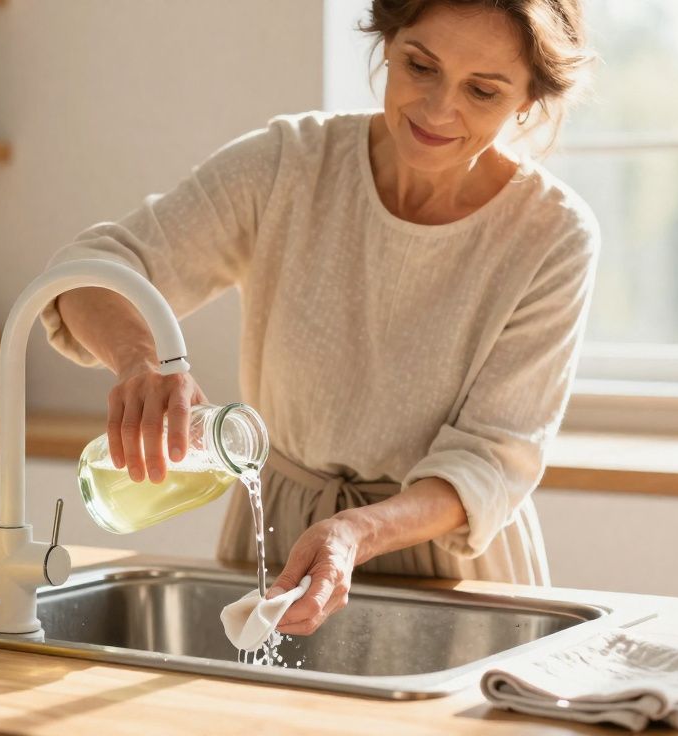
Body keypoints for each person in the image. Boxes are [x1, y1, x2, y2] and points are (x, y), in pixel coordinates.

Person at [40, 0, 599, 636]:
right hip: (278, 546)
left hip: (456, 568)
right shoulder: (290, 165)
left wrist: (355, 532)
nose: (441, 109)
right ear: (388, 42)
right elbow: (87, 272)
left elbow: (490, 460)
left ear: (529, 99)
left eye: (483, 90)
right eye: (420, 66)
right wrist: (141, 360)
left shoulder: (553, 235)